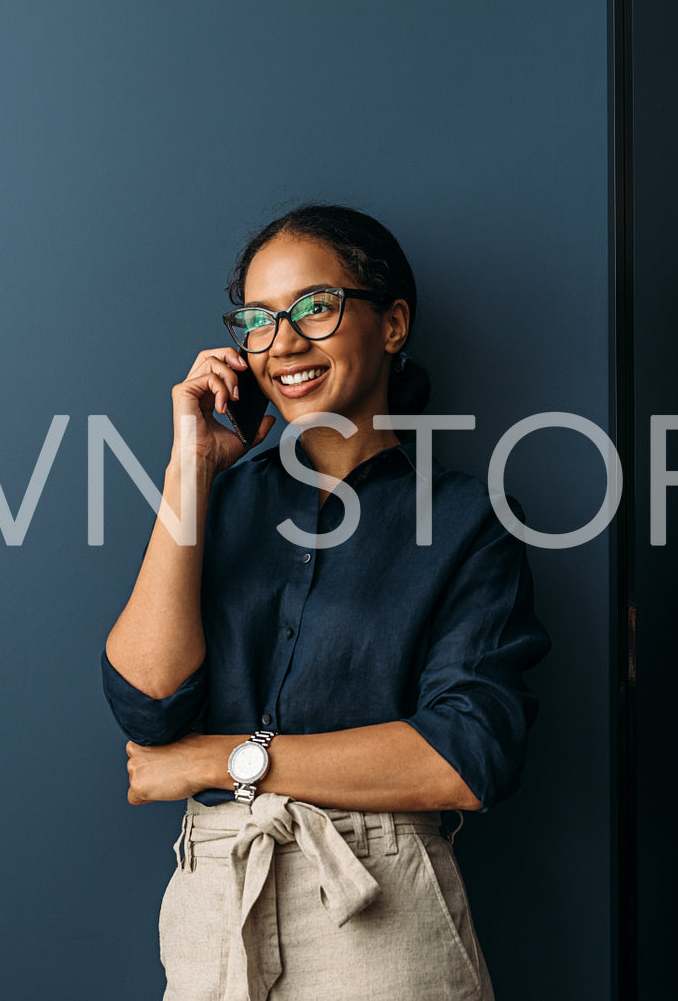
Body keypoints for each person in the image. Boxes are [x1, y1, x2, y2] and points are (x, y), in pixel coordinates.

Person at [100, 204, 549, 1000]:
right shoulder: (215, 505)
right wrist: (190, 469)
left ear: (393, 323)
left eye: (315, 306)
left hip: (379, 905)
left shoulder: (465, 520)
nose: (283, 344)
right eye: (258, 321)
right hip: (213, 908)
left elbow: (463, 756)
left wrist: (218, 761)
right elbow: (148, 706)